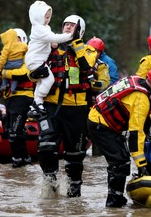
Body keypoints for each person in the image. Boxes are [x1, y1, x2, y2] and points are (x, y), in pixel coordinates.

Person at [87, 66, 151, 207]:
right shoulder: (141, 99)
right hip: (101, 125)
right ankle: (113, 204)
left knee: (122, 161)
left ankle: (118, 198)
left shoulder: (137, 80)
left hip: (100, 118)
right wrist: (141, 165)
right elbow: (136, 133)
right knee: (119, 163)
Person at [38, 14, 96, 198]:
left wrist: (75, 42)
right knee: (46, 146)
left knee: (75, 155)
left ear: (80, 29)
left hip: (76, 109)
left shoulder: (88, 50)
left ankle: (74, 192)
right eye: (66, 24)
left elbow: (87, 67)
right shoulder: (50, 48)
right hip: (51, 106)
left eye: (73, 25)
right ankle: (51, 184)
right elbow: (31, 68)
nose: (68, 27)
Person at [0, 28, 35, 168]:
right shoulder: (6, 53)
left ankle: (19, 161)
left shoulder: (28, 53)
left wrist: (3, 73)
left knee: (15, 131)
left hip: (24, 97)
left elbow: (24, 73)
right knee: (11, 130)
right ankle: (23, 159)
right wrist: (3, 53)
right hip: (10, 97)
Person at [24, 0, 72, 117]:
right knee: (49, 80)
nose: (47, 20)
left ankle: (36, 104)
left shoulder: (44, 28)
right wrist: (70, 35)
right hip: (35, 60)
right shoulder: (38, 28)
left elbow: (49, 40)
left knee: (42, 81)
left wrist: (52, 43)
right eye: (45, 17)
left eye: (49, 17)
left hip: (37, 60)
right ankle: (38, 100)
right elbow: (54, 37)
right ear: (38, 17)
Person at [0, 28, 28, 94]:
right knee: (15, 77)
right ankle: (13, 88)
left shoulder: (6, 48)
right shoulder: (22, 46)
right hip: (18, 64)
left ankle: (4, 85)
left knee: (5, 72)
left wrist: (1, 67)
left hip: (8, 65)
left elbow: (3, 58)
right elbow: (27, 47)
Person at [85, 37, 110, 107]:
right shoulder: (79, 61)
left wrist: (91, 82)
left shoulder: (102, 66)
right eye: (91, 50)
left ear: (101, 54)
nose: (94, 53)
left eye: (97, 51)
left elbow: (104, 84)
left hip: (92, 99)